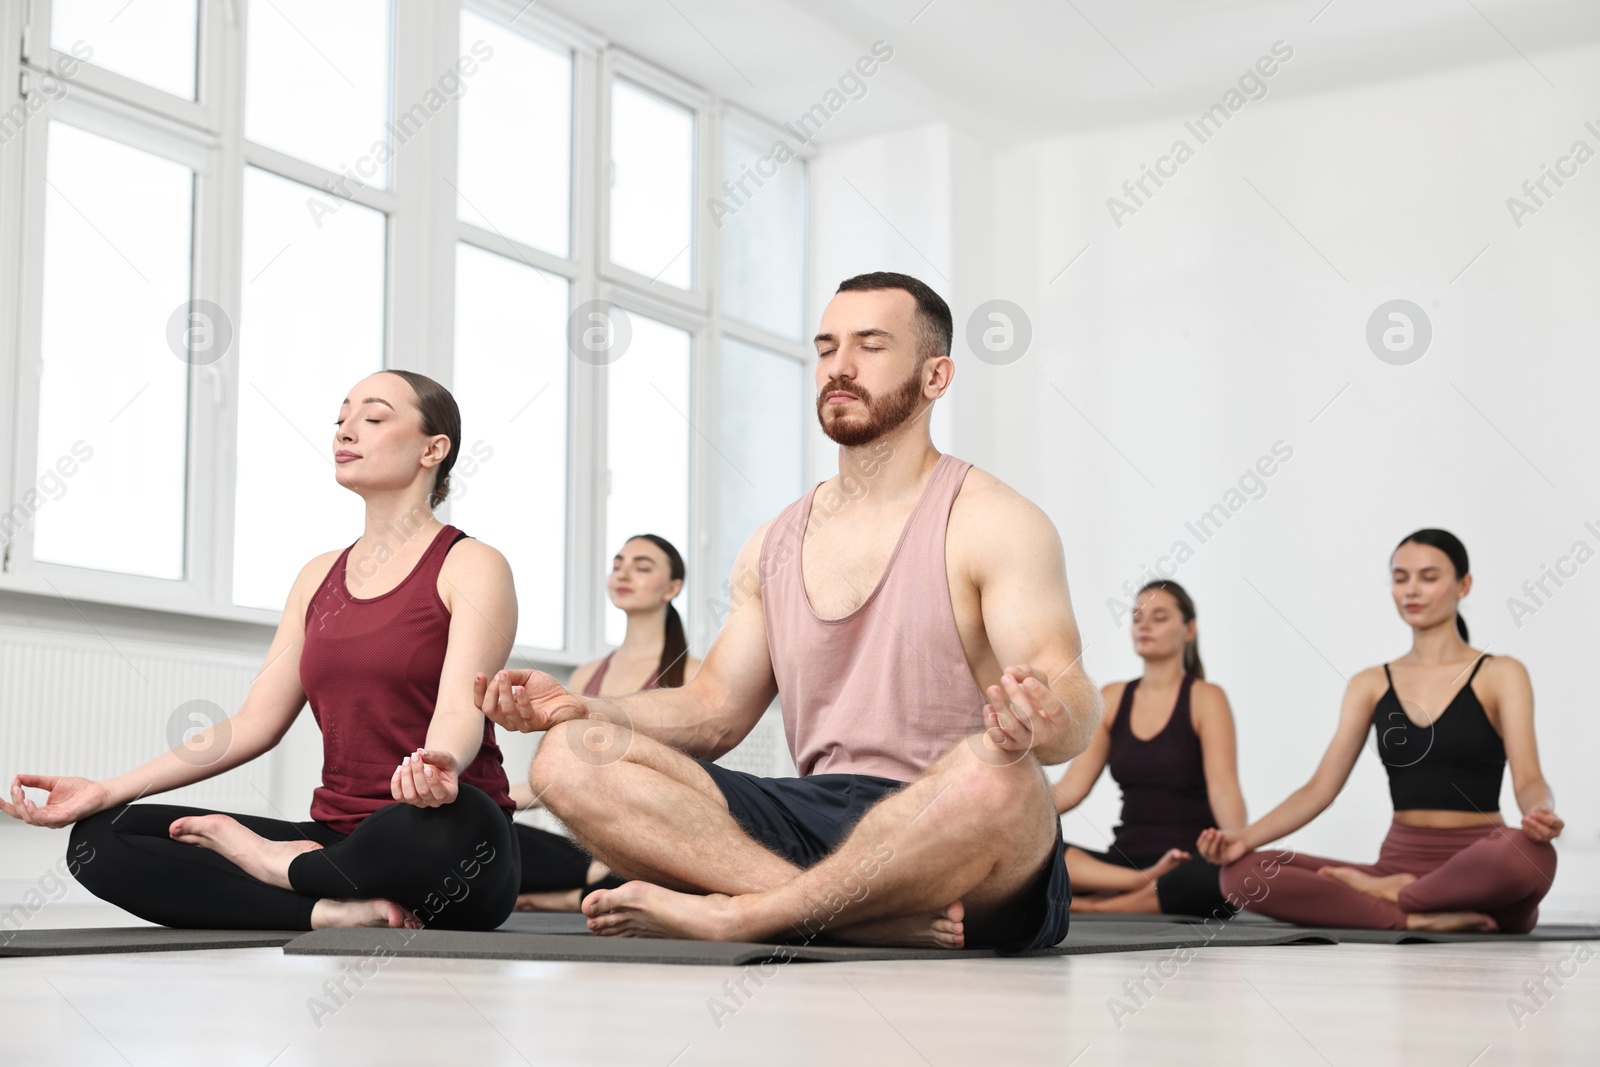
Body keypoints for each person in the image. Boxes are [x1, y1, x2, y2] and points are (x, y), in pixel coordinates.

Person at [479, 271, 1102, 950]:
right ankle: (850, 917)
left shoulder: (996, 521)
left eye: (870, 345)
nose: (839, 366)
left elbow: (1062, 694)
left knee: (998, 774)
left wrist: (1047, 717)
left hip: (948, 823)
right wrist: (579, 708)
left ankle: (745, 914)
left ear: (935, 376)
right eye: (827, 347)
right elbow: (714, 710)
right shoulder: (774, 541)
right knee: (569, 756)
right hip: (815, 823)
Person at [1, 371, 521, 931]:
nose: (346, 430)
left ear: (433, 448)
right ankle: (329, 909)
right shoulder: (317, 577)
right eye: (340, 419)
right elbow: (253, 722)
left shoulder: (472, 564)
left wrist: (439, 764)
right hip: (339, 841)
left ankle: (277, 866)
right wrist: (105, 789)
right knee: (102, 836)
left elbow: (459, 709)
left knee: (456, 818)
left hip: (438, 838)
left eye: (372, 418)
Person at [1199, 529, 1562, 933]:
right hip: (1396, 862)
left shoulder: (1501, 673)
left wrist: (1539, 812)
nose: (1412, 590)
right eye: (1400, 577)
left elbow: (1529, 779)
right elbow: (1319, 789)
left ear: (1464, 585)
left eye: (1428, 577)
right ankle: (1413, 914)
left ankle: (1398, 898)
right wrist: (1242, 840)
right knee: (1241, 873)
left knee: (1532, 854)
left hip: (1478, 867)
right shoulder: (1370, 683)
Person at [512, 534, 702, 911]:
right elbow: (562, 771)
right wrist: (493, 797)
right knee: (477, 838)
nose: (624, 573)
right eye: (617, 564)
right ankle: (586, 888)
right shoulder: (587, 677)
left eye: (642, 566)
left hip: (656, 838)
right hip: (591, 846)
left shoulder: (695, 674)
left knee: (667, 870)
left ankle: (573, 895)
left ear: (673, 588)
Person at [1054, 580, 1246, 916]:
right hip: (1123, 861)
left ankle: (1096, 908)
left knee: (1218, 877)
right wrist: (1016, 817)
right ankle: (1135, 885)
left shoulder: (1206, 698)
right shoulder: (1112, 697)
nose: (1144, 625)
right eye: (1138, 617)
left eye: (1159, 617)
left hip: (1185, 862)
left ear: (1189, 629)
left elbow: (1224, 791)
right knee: (1037, 857)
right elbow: (1072, 789)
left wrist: (1239, 845)